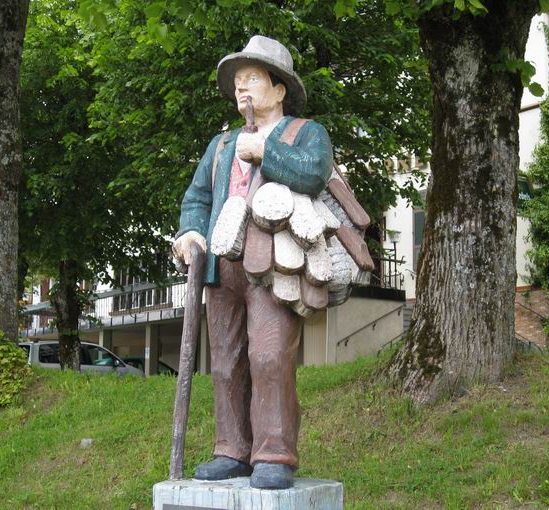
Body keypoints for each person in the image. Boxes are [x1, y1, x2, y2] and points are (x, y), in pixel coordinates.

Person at [173, 35, 333, 490]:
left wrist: (266, 152)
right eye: (238, 82)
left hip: (274, 263)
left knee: (268, 356)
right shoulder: (222, 145)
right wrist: (189, 232)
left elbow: (315, 171)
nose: (243, 89)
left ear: (279, 88)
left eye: (253, 79)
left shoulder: (304, 132)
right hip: (222, 267)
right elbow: (198, 197)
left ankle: (274, 453)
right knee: (224, 360)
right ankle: (231, 449)